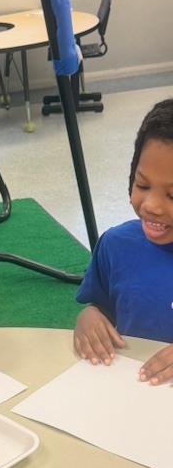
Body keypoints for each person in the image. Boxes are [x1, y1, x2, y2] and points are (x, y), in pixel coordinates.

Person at [74, 98, 173, 385]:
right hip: (130, 391)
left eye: (172, 195)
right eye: (142, 185)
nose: (152, 205)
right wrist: (88, 317)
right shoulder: (116, 246)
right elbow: (100, 305)